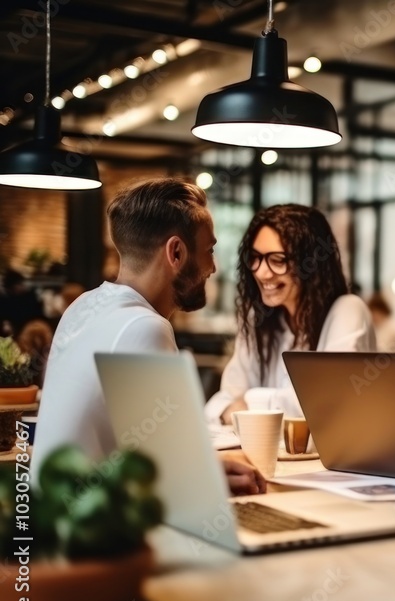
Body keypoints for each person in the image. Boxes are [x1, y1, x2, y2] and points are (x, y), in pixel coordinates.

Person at [33, 178, 266, 496]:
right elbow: (173, 490)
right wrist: (198, 477)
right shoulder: (144, 326)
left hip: (50, 521)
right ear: (177, 252)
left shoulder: (83, 307)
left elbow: (160, 461)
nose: (213, 267)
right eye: (209, 251)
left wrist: (201, 469)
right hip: (95, 534)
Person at [205, 204, 375, 425]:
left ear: (311, 263)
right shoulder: (259, 318)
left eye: (277, 260)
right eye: (255, 257)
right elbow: (222, 402)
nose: (261, 272)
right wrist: (252, 406)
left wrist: (248, 402)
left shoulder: (347, 310)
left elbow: (323, 404)